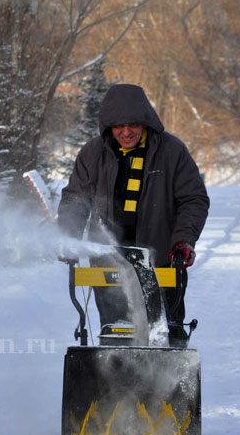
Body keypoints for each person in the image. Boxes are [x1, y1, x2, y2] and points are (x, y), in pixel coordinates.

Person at [58, 83, 209, 343]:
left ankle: (167, 380)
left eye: (133, 125)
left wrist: (183, 240)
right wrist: (68, 237)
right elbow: (75, 199)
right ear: (108, 126)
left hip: (160, 259)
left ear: (145, 121)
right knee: (117, 332)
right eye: (119, 126)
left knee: (163, 333)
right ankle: (114, 378)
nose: (126, 132)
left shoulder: (171, 152)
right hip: (108, 261)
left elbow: (193, 199)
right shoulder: (93, 154)